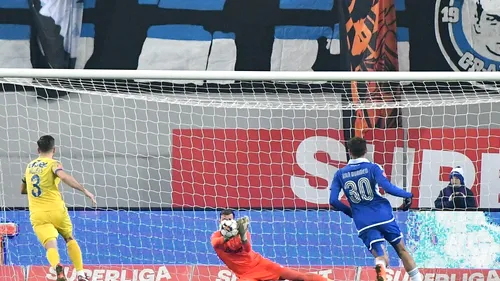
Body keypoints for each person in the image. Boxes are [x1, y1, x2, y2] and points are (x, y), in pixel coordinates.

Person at [329, 137, 420, 281]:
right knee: (401, 250)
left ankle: (380, 267)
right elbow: (388, 188)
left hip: (363, 221)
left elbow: (333, 200)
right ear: (365, 150)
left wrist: (351, 213)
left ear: (349, 151)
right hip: (382, 215)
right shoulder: (373, 168)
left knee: (381, 256)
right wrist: (408, 195)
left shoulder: (340, 174)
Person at [21, 135, 96, 281]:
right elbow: (63, 176)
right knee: (69, 238)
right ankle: (80, 273)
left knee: (51, 246)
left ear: (38, 150)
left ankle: (57, 267)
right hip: (57, 210)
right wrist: (84, 190)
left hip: (38, 213)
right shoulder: (53, 163)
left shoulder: (29, 166)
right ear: (54, 150)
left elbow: (23, 190)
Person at [211, 209, 334, 281]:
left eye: (229, 219)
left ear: (233, 220)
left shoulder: (243, 232)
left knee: (299, 277)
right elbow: (217, 243)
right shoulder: (215, 236)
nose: (226, 222)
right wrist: (229, 234)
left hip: (261, 264)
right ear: (219, 221)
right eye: (224, 220)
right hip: (245, 275)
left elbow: (248, 249)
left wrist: (242, 236)